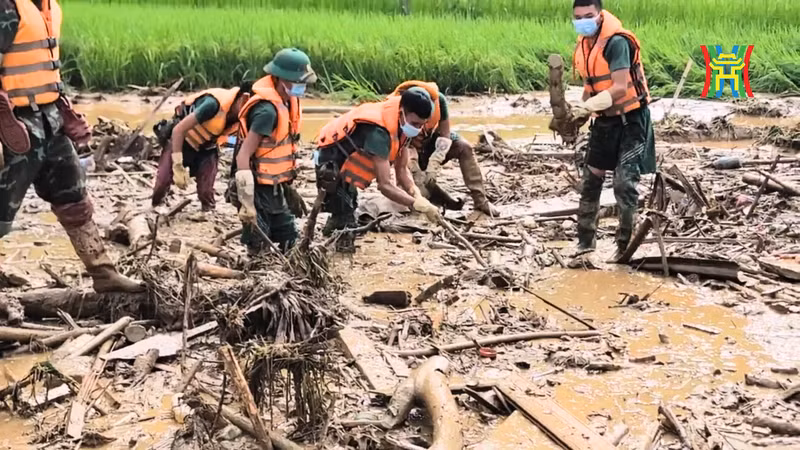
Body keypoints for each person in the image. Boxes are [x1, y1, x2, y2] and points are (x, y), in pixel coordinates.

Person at [0, 0, 142, 292]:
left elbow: (46, 67)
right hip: (12, 124)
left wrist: (64, 108)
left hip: (49, 120)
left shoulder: (47, 6)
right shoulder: (7, 6)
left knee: (73, 195)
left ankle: (103, 273)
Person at [569, 0, 656, 263]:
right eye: (578, 17)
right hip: (605, 121)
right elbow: (591, 86)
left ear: (600, 14)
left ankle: (624, 247)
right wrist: (579, 111)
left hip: (631, 120)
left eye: (588, 15)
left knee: (623, 183)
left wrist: (587, 108)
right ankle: (585, 244)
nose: (583, 20)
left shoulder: (617, 42)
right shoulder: (586, 43)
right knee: (590, 180)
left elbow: (619, 87)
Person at [314, 87, 441, 251]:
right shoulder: (379, 133)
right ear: (402, 112)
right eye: (415, 124)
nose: (417, 129)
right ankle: (338, 257)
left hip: (349, 161)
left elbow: (402, 170)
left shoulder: (404, 125)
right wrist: (416, 204)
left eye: (421, 125)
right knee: (345, 216)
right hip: (331, 162)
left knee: (349, 203)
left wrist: (414, 191)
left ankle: (330, 231)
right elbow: (385, 185)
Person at [232, 48, 314, 254]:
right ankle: (254, 277)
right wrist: (247, 202)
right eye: (297, 82)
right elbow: (243, 155)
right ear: (279, 79)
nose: (301, 87)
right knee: (258, 241)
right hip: (256, 187)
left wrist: (287, 189)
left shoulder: (287, 102)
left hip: (275, 187)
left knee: (289, 238)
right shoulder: (267, 112)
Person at [389, 81, 499, 217]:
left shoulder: (439, 100)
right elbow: (399, 149)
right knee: (420, 192)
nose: (419, 126)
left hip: (429, 142)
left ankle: (481, 201)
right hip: (407, 149)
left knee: (464, 147)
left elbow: (445, 134)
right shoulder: (397, 106)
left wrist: (435, 161)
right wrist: (414, 168)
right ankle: (417, 204)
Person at [151, 82, 253, 211]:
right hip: (182, 141)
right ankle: (156, 207)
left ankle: (207, 211)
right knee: (162, 183)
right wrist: (177, 164)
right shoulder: (212, 105)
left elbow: (240, 148)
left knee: (206, 191)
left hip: (207, 148)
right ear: (244, 99)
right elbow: (178, 130)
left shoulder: (243, 120)